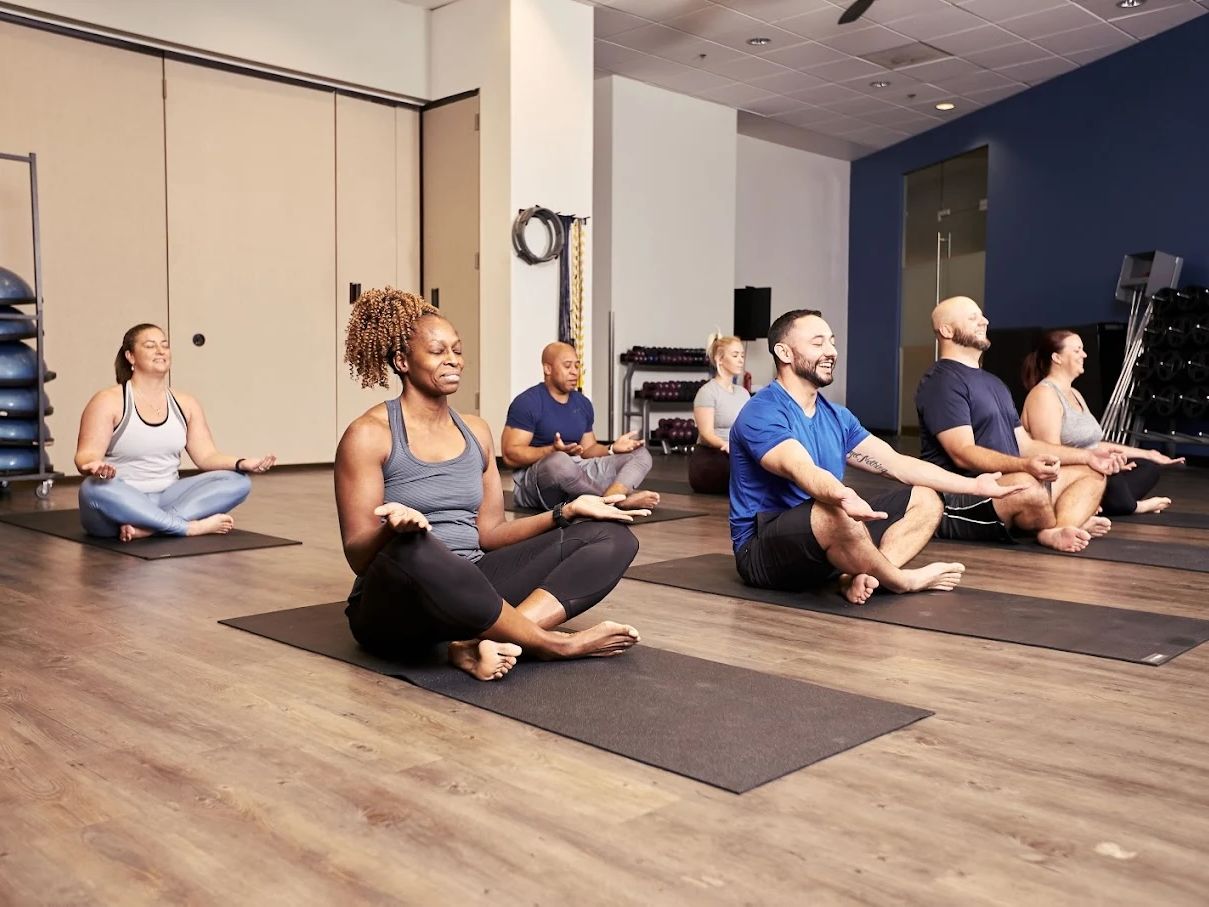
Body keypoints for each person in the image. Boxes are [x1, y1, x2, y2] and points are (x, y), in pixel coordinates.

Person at [336, 288, 645, 682]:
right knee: (415, 545)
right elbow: (358, 557)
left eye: (457, 350)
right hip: (394, 607)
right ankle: (550, 644)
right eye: (437, 351)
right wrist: (393, 533)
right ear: (402, 361)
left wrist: (565, 512)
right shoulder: (369, 434)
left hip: (473, 590)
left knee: (613, 536)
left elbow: (491, 533)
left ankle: (478, 643)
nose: (452, 360)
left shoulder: (476, 431)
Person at [729, 309, 1028, 605]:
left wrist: (975, 487)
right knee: (833, 509)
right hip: (763, 552)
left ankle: (864, 575)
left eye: (832, 342)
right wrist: (842, 496)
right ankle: (900, 580)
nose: (832, 351)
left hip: (823, 542)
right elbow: (800, 468)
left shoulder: (836, 417)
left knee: (925, 498)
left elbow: (897, 463)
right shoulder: (763, 411)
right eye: (818, 343)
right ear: (784, 352)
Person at [916, 296, 1126, 553]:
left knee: (1092, 473)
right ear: (947, 330)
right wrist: (1025, 466)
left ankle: (1058, 528)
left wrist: (1088, 456)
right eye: (973, 318)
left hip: (1011, 483)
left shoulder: (994, 383)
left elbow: (1024, 444)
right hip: (963, 495)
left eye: (982, 316)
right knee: (1029, 485)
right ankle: (1057, 522)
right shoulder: (942, 382)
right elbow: (962, 453)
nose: (985, 321)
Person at [74, 323, 274, 541]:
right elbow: (85, 455)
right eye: (150, 346)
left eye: (165, 345)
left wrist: (241, 463)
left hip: (169, 497)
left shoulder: (186, 403)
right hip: (121, 502)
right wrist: (92, 465)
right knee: (92, 489)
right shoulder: (108, 401)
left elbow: (206, 457)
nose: (160, 351)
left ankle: (152, 527)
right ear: (130, 356)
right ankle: (187, 527)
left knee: (239, 482)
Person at [1020, 329, 1183, 515]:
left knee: (1147, 467)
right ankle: (1132, 506)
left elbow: (1094, 446)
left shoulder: (1075, 394)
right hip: (1061, 477)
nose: (1084, 354)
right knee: (1110, 478)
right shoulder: (1044, 395)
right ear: (1057, 358)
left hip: (1088, 468)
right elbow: (1050, 455)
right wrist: (1099, 463)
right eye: (1077, 350)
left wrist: (1149, 454)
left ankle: (1097, 503)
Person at [501, 342, 658, 511]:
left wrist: (612, 448)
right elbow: (510, 455)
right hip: (537, 480)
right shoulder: (527, 402)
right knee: (559, 461)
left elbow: (588, 449)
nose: (574, 371)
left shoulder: (582, 403)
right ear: (548, 369)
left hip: (577, 471)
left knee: (640, 454)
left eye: (577, 366)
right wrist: (551, 451)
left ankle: (611, 499)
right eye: (567, 366)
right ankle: (616, 502)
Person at [689, 332, 750, 494]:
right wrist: (726, 445)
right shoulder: (707, 392)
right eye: (735, 355)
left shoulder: (743, 393)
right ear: (719, 359)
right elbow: (706, 434)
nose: (740, 360)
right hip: (711, 458)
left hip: (736, 454)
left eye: (742, 355)